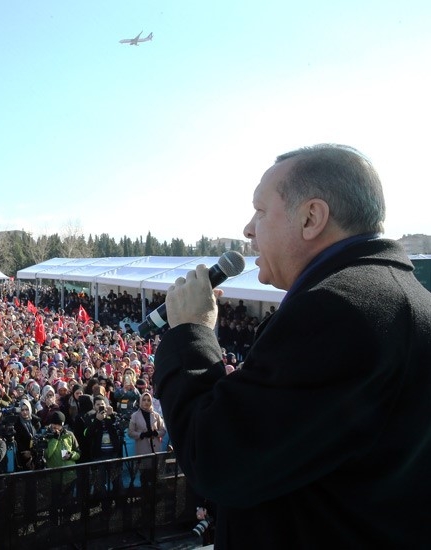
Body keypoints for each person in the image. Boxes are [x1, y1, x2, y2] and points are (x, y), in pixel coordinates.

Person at [153, 144, 431, 548]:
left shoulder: (335, 310)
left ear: (311, 218)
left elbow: (218, 462)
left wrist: (191, 333)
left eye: (261, 211)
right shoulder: (406, 297)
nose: (248, 229)